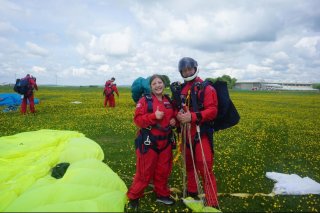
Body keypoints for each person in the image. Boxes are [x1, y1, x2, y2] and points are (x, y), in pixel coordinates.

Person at [173, 57, 219, 207]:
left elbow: (212, 111)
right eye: (184, 70)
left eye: (189, 69)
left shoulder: (206, 88)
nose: (187, 72)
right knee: (188, 165)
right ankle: (192, 191)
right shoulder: (181, 89)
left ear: (195, 68)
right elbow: (176, 108)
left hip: (201, 132)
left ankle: (212, 200)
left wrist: (192, 116)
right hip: (185, 134)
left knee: (204, 165)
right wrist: (177, 116)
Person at [127, 74, 176, 211]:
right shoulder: (144, 100)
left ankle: (162, 194)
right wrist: (154, 116)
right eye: (154, 84)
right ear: (150, 87)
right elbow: (138, 120)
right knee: (144, 172)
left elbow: (173, 116)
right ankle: (134, 197)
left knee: (163, 170)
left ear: (164, 84)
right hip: (149, 142)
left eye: (160, 82)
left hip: (165, 142)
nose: (157, 85)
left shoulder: (168, 100)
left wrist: (174, 121)